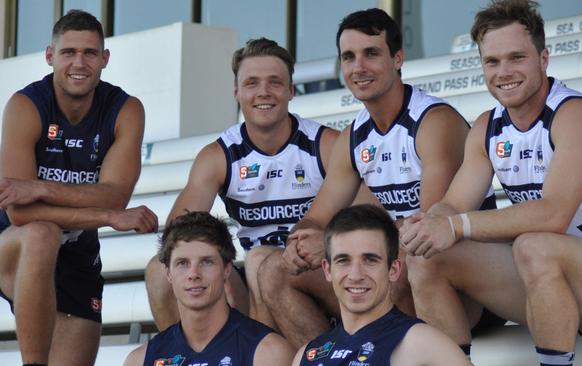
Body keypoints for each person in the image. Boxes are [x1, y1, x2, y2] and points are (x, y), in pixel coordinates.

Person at [399, 0, 582, 365]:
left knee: (535, 245)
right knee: (425, 257)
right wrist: (428, 225)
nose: (504, 71)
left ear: (543, 59)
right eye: (492, 61)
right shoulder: (487, 127)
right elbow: (452, 205)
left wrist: (455, 226)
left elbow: (554, 215)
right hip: (547, 272)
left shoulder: (575, 114)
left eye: (517, 57)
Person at [258, 8, 496, 349]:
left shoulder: (433, 121)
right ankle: (336, 357)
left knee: (402, 259)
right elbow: (316, 217)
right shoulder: (353, 136)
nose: (359, 67)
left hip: (460, 283)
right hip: (399, 271)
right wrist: (304, 240)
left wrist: (328, 238)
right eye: (349, 57)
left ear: (397, 58)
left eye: (371, 54)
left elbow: (428, 228)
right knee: (274, 271)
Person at [144, 37, 364, 332]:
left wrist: (324, 242)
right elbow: (177, 233)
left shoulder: (324, 144)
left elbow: (369, 213)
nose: (264, 92)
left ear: (290, 90)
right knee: (160, 271)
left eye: (275, 82)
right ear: (236, 92)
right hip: (251, 282)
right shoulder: (218, 156)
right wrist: (218, 262)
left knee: (262, 261)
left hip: (316, 273)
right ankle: (183, 357)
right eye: (252, 83)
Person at [0, 10, 158, 366]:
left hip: (78, 253)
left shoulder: (125, 109)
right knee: (41, 233)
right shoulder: (25, 106)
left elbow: (116, 194)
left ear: (104, 59)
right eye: (69, 52)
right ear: (50, 56)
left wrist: (39, 188)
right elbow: (19, 211)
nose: (79, 62)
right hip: (13, 245)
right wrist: (105, 215)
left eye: (89, 52)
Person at [292, 204, 471, 366]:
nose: (355, 275)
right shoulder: (307, 355)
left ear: (393, 269)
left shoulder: (421, 343)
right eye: (343, 260)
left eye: (370, 260)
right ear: (327, 270)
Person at [124, 212, 293, 366]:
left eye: (206, 262)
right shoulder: (139, 360)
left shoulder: (269, 353)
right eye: (182, 263)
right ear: (168, 273)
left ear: (227, 269)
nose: (194, 274)